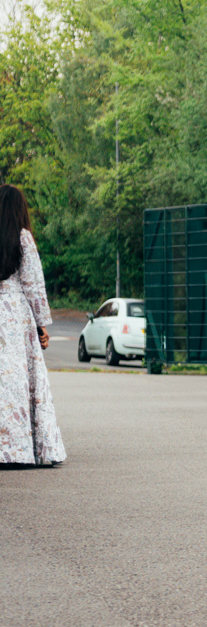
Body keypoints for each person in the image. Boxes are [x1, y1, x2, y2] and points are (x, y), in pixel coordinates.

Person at [0, 184, 65, 468]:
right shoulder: (22, 237)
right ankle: (20, 450)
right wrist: (42, 326)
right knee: (17, 378)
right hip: (15, 314)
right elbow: (33, 285)